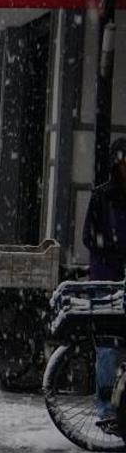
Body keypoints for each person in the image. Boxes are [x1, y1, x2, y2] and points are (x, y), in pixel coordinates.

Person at [83, 137, 126, 430]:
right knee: (108, 347)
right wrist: (111, 254)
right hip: (108, 276)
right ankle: (106, 407)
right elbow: (89, 236)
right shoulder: (102, 197)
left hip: (117, 272)